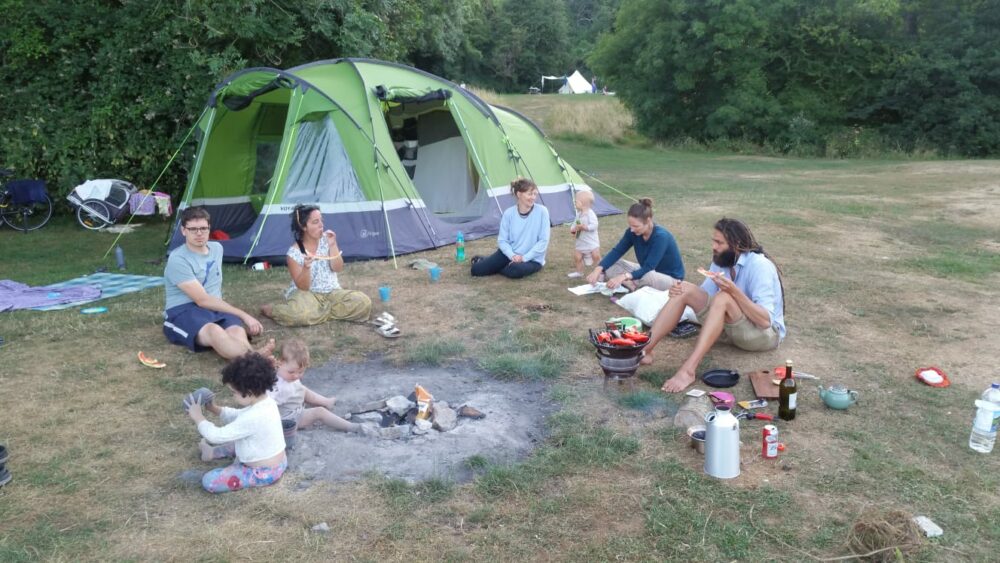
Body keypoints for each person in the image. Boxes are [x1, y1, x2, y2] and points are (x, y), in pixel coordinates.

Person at [643, 218, 786, 393]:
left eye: (719, 242)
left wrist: (734, 292)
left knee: (724, 297)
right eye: (714, 241)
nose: (714, 246)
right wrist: (677, 294)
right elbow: (706, 299)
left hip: (764, 335)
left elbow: (765, 321)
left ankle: (688, 370)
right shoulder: (721, 260)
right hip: (735, 328)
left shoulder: (760, 266)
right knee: (686, 289)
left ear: (737, 244)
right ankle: (644, 350)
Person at [163, 207, 272, 361]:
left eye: (203, 228)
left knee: (236, 332)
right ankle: (256, 359)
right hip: (184, 310)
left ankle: (252, 359)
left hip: (215, 307)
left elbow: (211, 294)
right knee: (215, 331)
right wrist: (244, 315)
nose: (199, 233)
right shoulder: (178, 259)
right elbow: (201, 300)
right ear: (183, 231)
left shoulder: (216, 249)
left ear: (209, 229)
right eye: (193, 229)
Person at [186, 352, 287, 493]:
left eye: (234, 392)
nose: (232, 395)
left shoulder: (253, 417)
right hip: (279, 462)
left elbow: (216, 436)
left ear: (249, 392)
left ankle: (230, 466)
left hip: (263, 473)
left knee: (209, 481)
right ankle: (212, 452)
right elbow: (239, 416)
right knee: (238, 441)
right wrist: (215, 409)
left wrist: (199, 418)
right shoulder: (267, 403)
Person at [260, 204, 372, 326]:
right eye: (315, 222)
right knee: (300, 315)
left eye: (321, 221)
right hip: (307, 295)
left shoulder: (327, 240)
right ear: (303, 227)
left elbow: (338, 268)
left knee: (363, 302)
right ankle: (273, 310)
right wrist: (306, 267)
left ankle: (318, 313)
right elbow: (303, 287)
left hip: (332, 292)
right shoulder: (293, 253)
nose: (321, 225)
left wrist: (333, 245)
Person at [268, 340, 374, 436]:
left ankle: (326, 402)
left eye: (300, 372)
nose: (296, 376)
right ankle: (351, 427)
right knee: (319, 412)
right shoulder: (275, 386)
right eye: (291, 372)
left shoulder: (287, 376)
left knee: (302, 389)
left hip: (293, 406)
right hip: (289, 420)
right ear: (280, 363)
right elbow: (266, 406)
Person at [585, 198, 685, 292]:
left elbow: (649, 267)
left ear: (649, 221)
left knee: (647, 276)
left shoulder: (661, 237)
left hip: (670, 279)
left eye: (636, 226)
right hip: (646, 271)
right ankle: (634, 284)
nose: (632, 229)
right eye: (630, 225)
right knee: (611, 263)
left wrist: (624, 276)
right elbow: (617, 251)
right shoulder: (632, 232)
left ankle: (632, 283)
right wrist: (598, 269)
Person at [470, 178, 550, 279]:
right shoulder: (509, 213)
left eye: (535, 194)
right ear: (519, 194)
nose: (533, 197)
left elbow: (543, 241)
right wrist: (512, 255)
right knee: (476, 270)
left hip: (532, 259)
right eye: (529, 194)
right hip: (510, 254)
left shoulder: (542, 211)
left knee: (515, 270)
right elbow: (503, 240)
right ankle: (489, 262)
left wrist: (524, 258)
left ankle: (492, 264)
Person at [568, 190, 601, 278]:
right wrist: (573, 229)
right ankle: (579, 272)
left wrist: (585, 227)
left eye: (576, 201)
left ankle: (600, 272)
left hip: (591, 242)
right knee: (577, 257)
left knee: (596, 256)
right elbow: (574, 225)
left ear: (582, 203)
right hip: (581, 242)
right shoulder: (578, 215)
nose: (574, 202)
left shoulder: (590, 214)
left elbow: (595, 225)